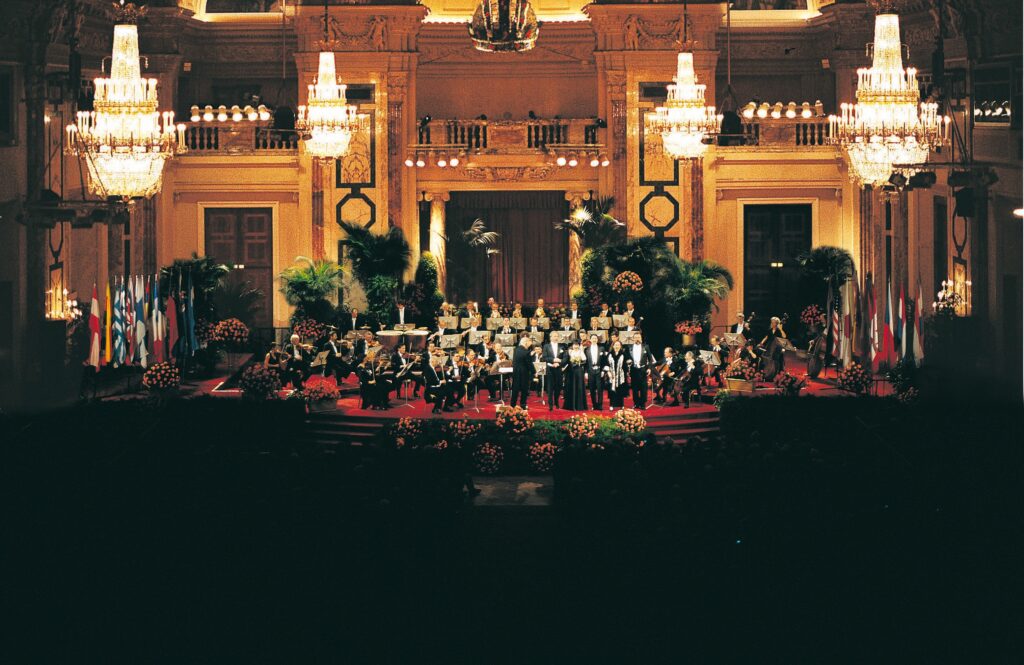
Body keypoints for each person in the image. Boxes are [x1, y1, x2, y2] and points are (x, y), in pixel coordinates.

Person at [541, 333, 565, 410]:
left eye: (557, 336)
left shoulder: (562, 346)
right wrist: (553, 360)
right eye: (554, 336)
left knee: (558, 386)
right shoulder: (546, 346)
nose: (556, 337)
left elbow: (565, 357)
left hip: (558, 368)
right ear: (550, 337)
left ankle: (556, 401)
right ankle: (550, 405)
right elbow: (544, 358)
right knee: (550, 387)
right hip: (550, 369)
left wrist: (559, 363)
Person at [628, 338, 654, 409]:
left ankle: (642, 404)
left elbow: (650, 359)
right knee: (635, 388)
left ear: (641, 338)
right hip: (633, 370)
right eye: (636, 337)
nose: (637, 339)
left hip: (643, 370)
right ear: (633, 339)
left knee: (643, 388)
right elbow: (627, 358)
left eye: (638, 337)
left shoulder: (646, 347)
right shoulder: (630, 347)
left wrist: (649, 368)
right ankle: (636, 403)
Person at [510, 335, 534, 408]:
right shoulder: (526, 352)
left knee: (515, 388)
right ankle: (523, 404)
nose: (530, 345)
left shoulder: (516, 349)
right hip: (524, 372)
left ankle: (513, 404)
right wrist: (534, 371)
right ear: (526, 343)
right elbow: (529, 363)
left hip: (516, 371)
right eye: (530, 344)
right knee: (524, 389)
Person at [605, 339, 629, 410]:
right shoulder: (609, 354)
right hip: (611, 375)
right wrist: (608, 372)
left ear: (620, 346)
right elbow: (606, 364)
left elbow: (626, 364)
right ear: (613, 346)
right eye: (615, 345)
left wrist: (627, 371)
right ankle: (611, 405)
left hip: (621, 375)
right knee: (612, 390)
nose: (617, 346)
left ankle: (621, 405)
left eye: (618, 345)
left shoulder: (623, 354)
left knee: (620, 390)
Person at [563, 343, 588, 411]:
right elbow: (566, 361)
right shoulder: (569, 352)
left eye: (577, 345)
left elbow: (585, 361)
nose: (576, 346)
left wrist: (579, 362)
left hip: (579, 371)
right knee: (571, 386)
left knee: (579, 387)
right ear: (572, 346)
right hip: (571, 372)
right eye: (574, 345)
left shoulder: (581, 352)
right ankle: (571, 406)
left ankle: (579, 406)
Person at [584, 334, 606, 410]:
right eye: (592, 338)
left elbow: (604, 361)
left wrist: (603, 370)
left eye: (595, 338)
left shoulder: (602, 348)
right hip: (590, 371)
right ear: (590, 340)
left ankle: (600, 405)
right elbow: (585, 362)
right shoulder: (586, 349)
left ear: (597, 340)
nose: (594, 339)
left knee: (600, 389)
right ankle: (594, 404)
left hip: (599, 370)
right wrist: (586, 372)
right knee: (592, 389)